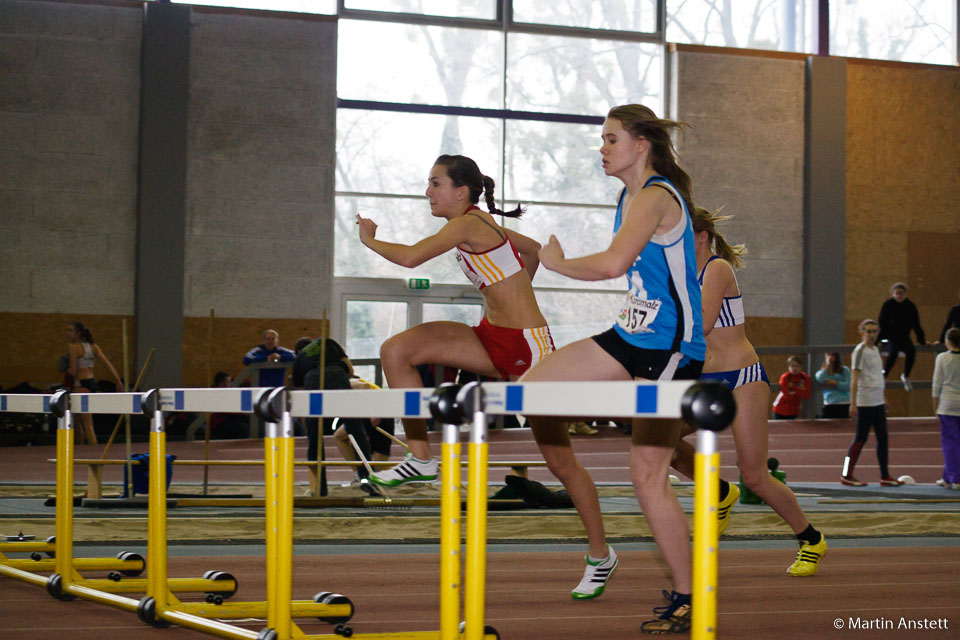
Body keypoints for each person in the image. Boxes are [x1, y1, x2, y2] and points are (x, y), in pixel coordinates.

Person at [520, 104, 705, 634]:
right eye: (601, 140)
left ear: (641, 143)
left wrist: (555, 264)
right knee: (529, 391)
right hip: (630, 336)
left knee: (647, 477)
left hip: (671, 347)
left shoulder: (655, 195)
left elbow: (611, 264)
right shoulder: (628, 197)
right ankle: (615, 454)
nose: (601, 149)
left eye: (610, 139)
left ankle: (689, 594)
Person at [356, 154, 554, 488]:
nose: (427, 192)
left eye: (435, 184)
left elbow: (410, 257)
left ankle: (662, 427)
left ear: (461, 192)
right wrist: (511, 294)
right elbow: (533, 249)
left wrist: (369, 240)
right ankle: (420, 459)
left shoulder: (468, 224)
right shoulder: (479, 223)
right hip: (491, 335)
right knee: (396, 350)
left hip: (526, 343)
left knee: (560, 452)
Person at [670, 207, 826, 579]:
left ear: (702, 235)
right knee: (661, 442)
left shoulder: (717, 269)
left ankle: (811, 539)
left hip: (742, 377)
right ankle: (720, 492)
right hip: (704, 382)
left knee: (754, 475)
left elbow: (702, 324)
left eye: (680, 234)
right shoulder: (681, 274)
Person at [841, 319, 904, 487]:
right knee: (860, 439)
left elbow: (877, 376)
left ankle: (885, 475)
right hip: (865, 401)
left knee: (883, 438)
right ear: (861, 332)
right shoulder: (860, 351)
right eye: (868, 331)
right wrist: (853, 403)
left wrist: (883, 398)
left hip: (877, 401)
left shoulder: (876, 349)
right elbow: (854, 378)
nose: (871, 335)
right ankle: (846, 473)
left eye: (874, 331)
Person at [64, 321, 123, 445]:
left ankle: (93, 452)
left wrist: (66, 369)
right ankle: (81, 450)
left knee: (84, 424)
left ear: (78, 333)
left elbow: (73, 371)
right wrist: (117, 380)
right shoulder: (93, 347)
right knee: (78, 422)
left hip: (80, 386)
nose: (67, 333)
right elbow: (107, 364)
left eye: (70, 330)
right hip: (91, 385)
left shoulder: (74, 348)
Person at [331, 376, 395, 489]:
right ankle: (359, 475)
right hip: (380, 412)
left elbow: (364, 386)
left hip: (379, 411)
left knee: (379, 468)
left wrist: (373, 411)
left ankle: (360, 475)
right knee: (378, 469)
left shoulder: (346, 381)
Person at [877, 282, 926, 391]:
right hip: (890, 336)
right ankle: (884, 375)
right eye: (897, 293)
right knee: (893, 352)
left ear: (905, 294)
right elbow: (882, 323)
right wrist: (878, 340)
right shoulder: (888, 305)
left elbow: (916, 325)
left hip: (904, 337)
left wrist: (922, 340)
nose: (899, 296)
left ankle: (906, 375)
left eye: (901, 293)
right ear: (893, 294)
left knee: (911, 351)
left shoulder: (910, 306)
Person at [932, 328, 960, 490]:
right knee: (956, 443)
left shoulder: (942, 358)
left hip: (948, 405)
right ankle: (947, 477)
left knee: (950, 443)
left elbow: (936, 384)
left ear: (948, 342)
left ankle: (955, 478)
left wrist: (934, 406)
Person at [814, 352, 852, 419]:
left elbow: (848, 386)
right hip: (829, 403)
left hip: (844, 403)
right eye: (828, 355)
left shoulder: (845, 370)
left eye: (833, 355)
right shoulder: (822, 372)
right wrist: (827, 367)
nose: (830, 357)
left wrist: (833, 382)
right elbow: (820, 379)